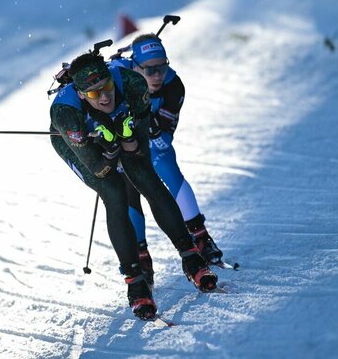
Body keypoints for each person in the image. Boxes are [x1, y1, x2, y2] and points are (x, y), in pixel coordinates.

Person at [49, 50, 217, 320]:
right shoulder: (65, 113)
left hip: (118, 130)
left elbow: (136, 150)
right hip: (80, 145)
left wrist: (125, 136)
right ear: (81, 95)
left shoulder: (131, 83)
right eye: (93, 94)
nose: (104, 97)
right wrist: (107, 147)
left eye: (105, 87)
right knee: (114, 191)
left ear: (111, 78)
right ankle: (134, 281)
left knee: (145, 176)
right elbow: (100, 167)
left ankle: (191, 256)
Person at [110, 34, 226, 286]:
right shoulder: (119, 78)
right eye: (149, 70)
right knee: (129, 190)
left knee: (168, 167)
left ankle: (200, 236)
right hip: (126, 147)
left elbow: (163, 138)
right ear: (135, 66)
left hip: (151, 144)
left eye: (162, 68)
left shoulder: (174, 85)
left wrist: (149, 124)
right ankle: (141, 254)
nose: (157, 76)